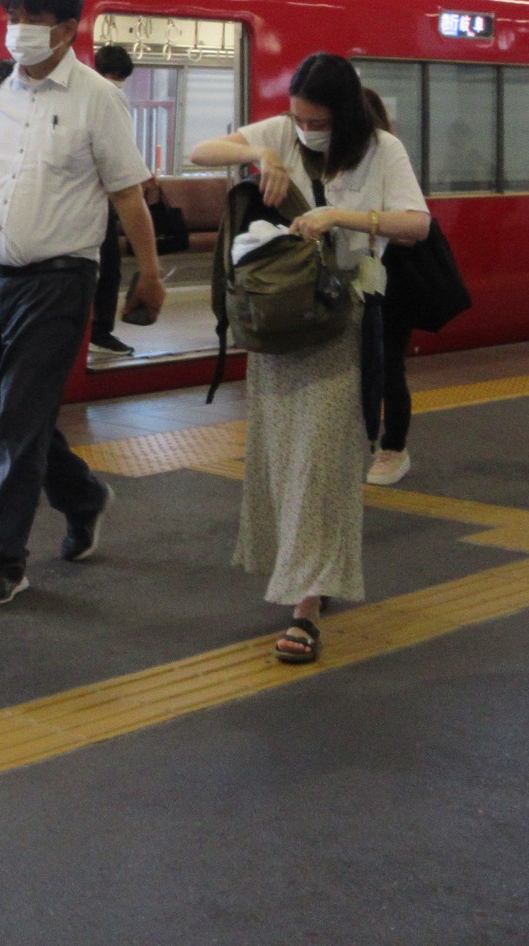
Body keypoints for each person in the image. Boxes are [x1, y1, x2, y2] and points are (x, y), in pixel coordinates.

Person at [189, 54, 429, 663]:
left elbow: (416, 224)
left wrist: (339, 216)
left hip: (342, 321)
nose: (304, 129)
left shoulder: (381, 150)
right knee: (281, 457)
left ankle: (306, 607)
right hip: (280, 327)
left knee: (324, 462)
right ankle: (304, 574)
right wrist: (261, 155)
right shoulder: (280, 134)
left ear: (343, 115)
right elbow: (199, 153)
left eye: (316, 120)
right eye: (297, 117)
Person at [0, 0, 166, 607]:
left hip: (60, 280)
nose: (17, 31)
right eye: (11, 16)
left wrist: (149, 274)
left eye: (30, 19)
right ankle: (84, 496)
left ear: (67, 30)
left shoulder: (98, 98)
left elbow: (127, 193)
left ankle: (2, 560)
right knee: (17, 414)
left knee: (16, 420)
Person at [364, 89, 416, 488]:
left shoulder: (389, 155)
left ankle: (393, 446)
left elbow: (412, 231)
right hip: (359, 283)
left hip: (394, 280)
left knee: (389, 366)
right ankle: (365, 442)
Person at [89, 44, 137, 360]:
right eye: (116, 76)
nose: (118, 82)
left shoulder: (91, 94)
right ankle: (99, 332)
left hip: (98, 197)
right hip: (99, 199)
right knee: (108, 268)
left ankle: (96, 330)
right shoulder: (107, 97)